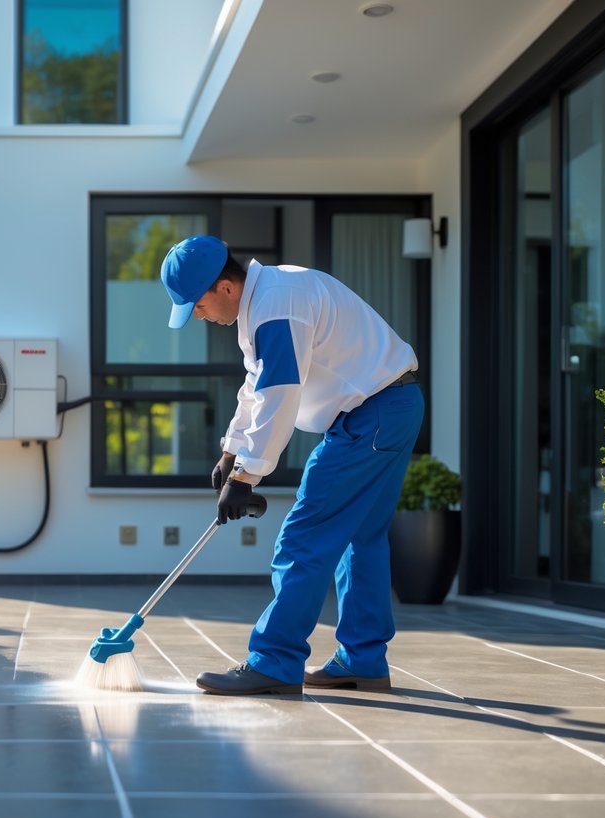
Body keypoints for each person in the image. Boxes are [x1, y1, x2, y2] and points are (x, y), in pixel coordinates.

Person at [160, 235, 424, 695]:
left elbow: (280, 394)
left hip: (372, 416)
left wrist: (247, 476)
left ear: (224, 287)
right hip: (387, 408)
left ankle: (275, 662)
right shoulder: (268, 298)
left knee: (304, 536)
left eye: (197, 305)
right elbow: (257, 382)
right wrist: (231, 450)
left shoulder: (278, 306)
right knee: (359, 537)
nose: (198, 316)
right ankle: (362, 660)